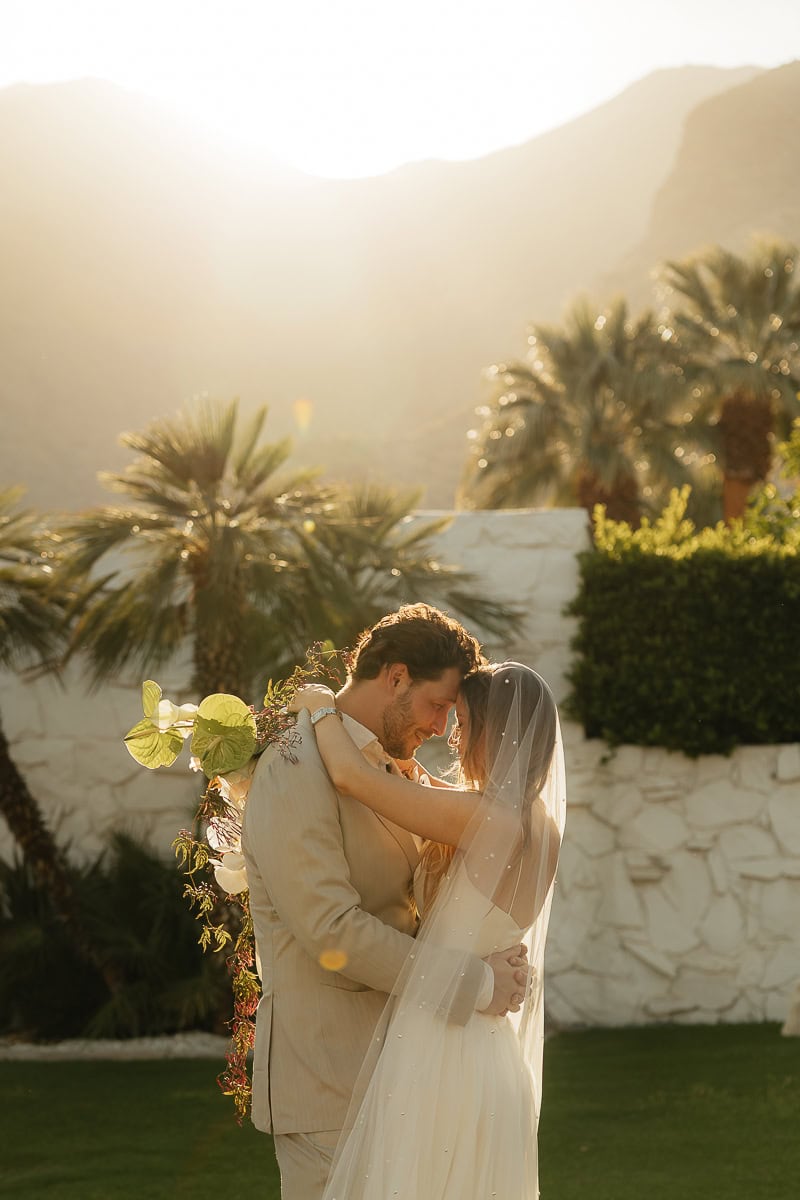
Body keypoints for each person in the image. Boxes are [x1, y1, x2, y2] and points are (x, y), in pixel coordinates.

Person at [240, 605, 532, 1200]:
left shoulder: (398, 773)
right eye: (438, 705)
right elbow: (331, 932)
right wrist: (474, 982)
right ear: (396, 677)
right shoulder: (296, 766)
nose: (444, 727)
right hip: (328, 1085)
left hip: (406, 1076)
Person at [290, 659, 566, 1200]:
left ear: (494, 732)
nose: (454, 737)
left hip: (442, 1050)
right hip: (491, 1059)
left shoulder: (486, 819)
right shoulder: (541, 826)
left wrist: (321, 706)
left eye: (463, 722)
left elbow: (351, 777)